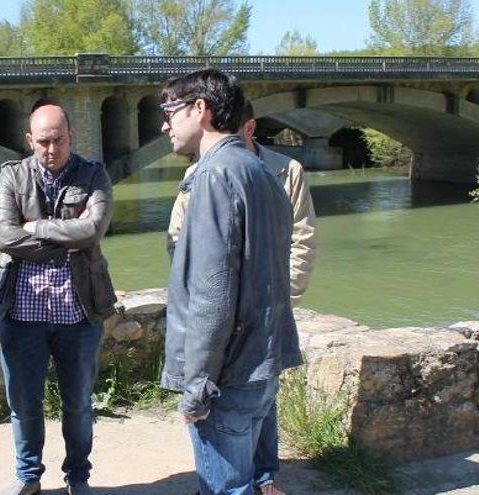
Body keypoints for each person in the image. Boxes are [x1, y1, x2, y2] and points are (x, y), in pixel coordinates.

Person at [159, 69, 303, 495]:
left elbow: (212, 295)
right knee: (248, 484)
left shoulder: (213, 176)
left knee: (226, 488)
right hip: (263, 360)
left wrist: (198, 384)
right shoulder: (261, 172)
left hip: (229, 374)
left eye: (170, 111)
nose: (165, 124)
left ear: (200, 109)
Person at [0, 102, 117, 495]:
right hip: (21, 312)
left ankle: (78, 476)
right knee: (23, 405)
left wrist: (39, 227)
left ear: (70, 136)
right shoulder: (11, 177)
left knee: (78, 405)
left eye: (58, 140)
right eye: (43, 141)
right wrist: (65, 243)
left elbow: (93, 230)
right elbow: (5, 237)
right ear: (30, 139)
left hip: (78, 312)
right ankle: (29, 475)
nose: (51, 149)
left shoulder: (93, 174)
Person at [240, 99, 317, 495]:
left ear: (249, 128)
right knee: (226, 395)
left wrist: (289, 293)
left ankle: (266, 475)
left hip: (272, 303)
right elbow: (179, 240)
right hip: (227, 304)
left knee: (267, 390)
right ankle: (228, 476)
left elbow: (303, 237)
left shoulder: (288, 171)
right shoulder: (198, 172)